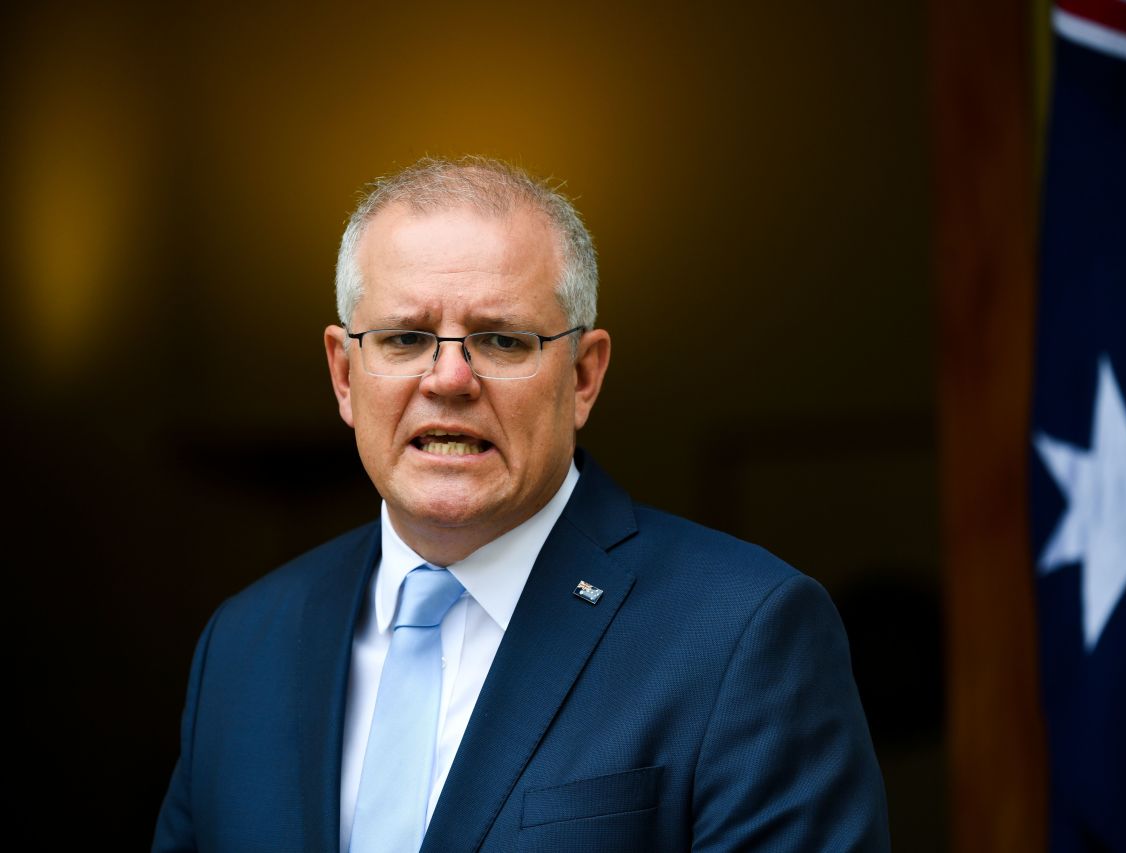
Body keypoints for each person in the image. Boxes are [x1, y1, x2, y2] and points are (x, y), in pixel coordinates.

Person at [152, 156, 890, 852]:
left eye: (501, 339)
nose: (448, 378)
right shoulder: (244, 643)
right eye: (406, 337)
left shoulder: (743, 635)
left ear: (585, 374)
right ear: (345, 375)